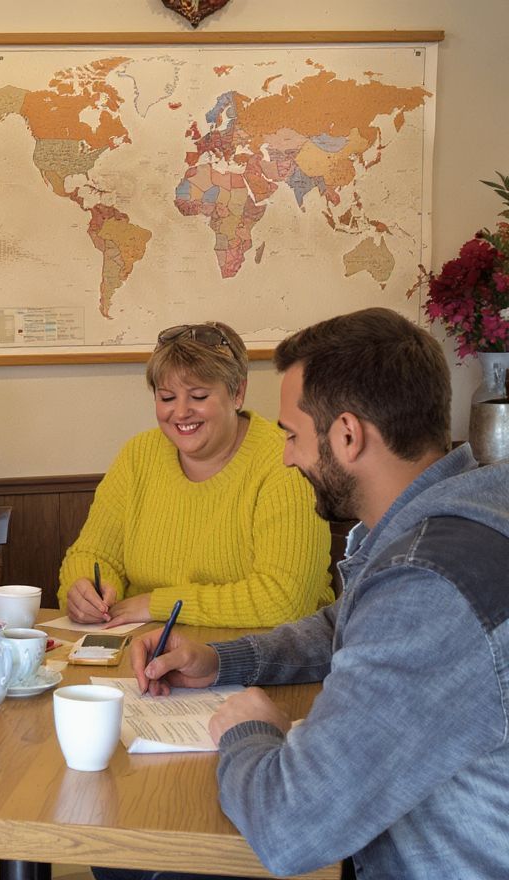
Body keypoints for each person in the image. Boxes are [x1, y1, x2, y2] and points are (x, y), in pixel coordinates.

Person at [127, 307, 509, 880]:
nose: (285, 455)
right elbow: (344, 624)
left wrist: (248, 730)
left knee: (150, 867)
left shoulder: (429, 584)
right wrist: (220, 660)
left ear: (348, 436)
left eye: (292, 435)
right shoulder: (465, 514)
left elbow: (289, 826)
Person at [59, 321, 332, 629]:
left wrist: (156, 605)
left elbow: (284, 599)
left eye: (199, 396)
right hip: (141, 644)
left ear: (237, 392)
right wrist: (87, 591)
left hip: (263, 652)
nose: (180, 412)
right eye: (167, 397)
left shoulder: (286, 461)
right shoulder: (138, 456)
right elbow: (93, 554)